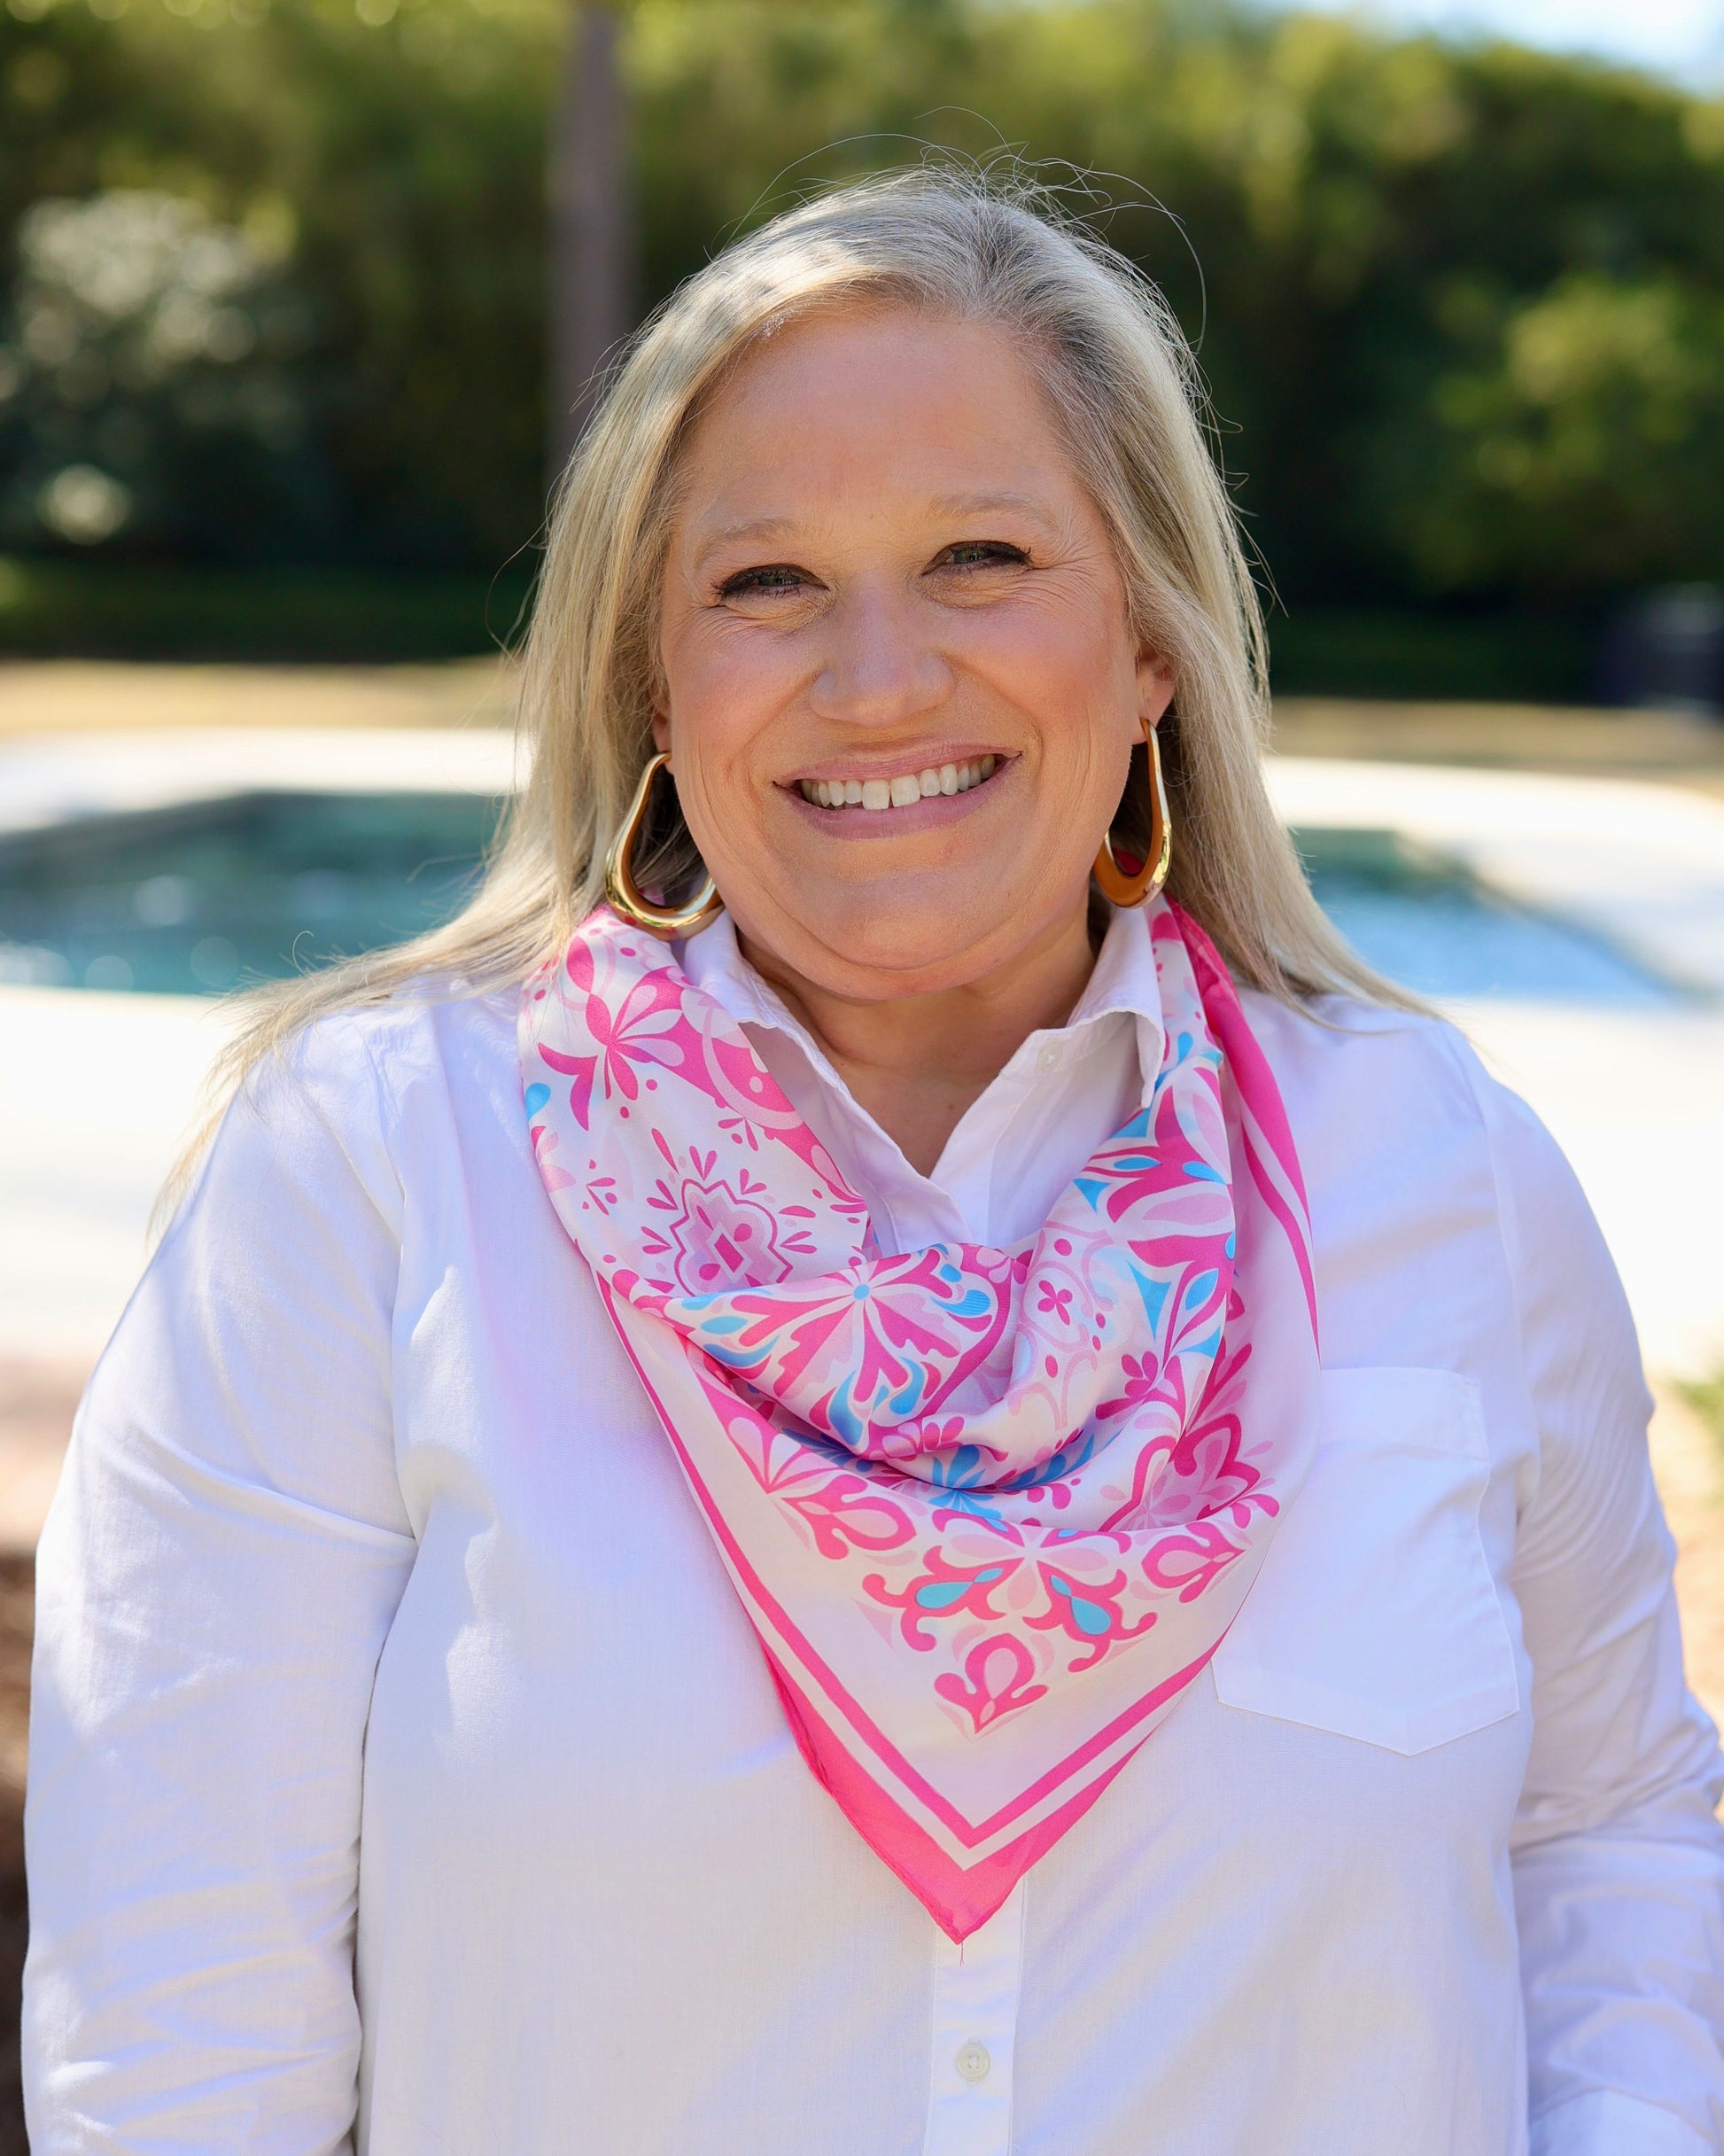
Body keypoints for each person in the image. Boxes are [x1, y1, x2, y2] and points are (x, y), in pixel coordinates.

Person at [23, 172, 1724, 2156]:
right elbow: (178, 2050)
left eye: (980, 556)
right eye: (765, 583)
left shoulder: (1439, 1174)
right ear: (653, 683)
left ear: (1152, 643)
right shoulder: (370, 1167)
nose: (879, 676)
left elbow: (1609, 1833)